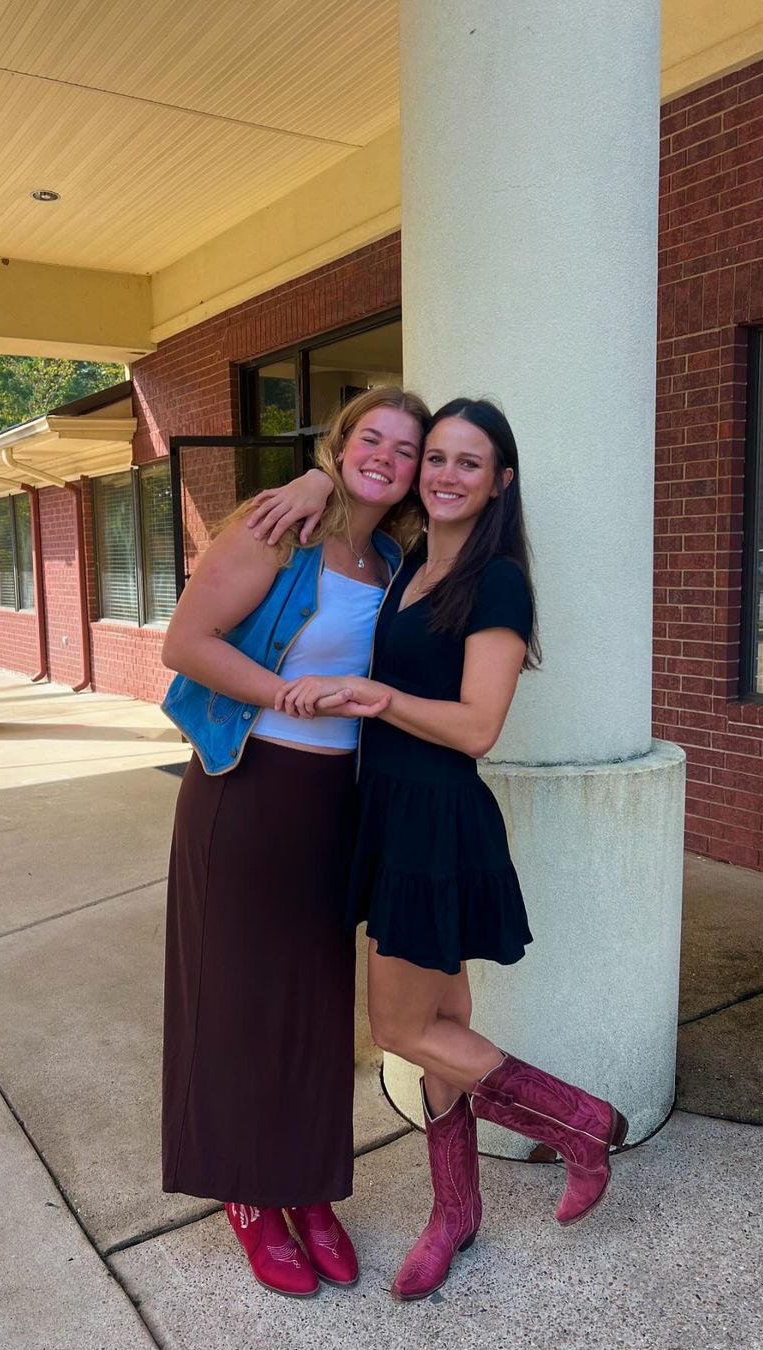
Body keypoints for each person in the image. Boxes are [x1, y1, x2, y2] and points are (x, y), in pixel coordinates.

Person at [253, 398, 628, 1302]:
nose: (445, 475)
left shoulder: (497, 582)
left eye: (469, 462)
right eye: (438, 458)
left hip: (434, 822)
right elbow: (353, 487)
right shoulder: (411, 557)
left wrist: (376, 698)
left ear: (501, 482)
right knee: (443, 1026)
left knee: (400, 1030)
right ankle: (454, 1214)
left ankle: (583, 1125)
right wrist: (313, 478)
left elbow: (477, 727)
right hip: (391, 813)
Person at [159, 386, 429, 1298]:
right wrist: (284, 695)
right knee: (237, 998)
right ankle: (247, 1192)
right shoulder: (279, 527)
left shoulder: (393, 559)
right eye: (371, 438)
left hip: (333, 801)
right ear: (340, 444)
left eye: (406, 448)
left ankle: (308, 1189)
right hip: (248, 786)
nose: (386, 457)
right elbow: (185, 643)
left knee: (315, 1005)